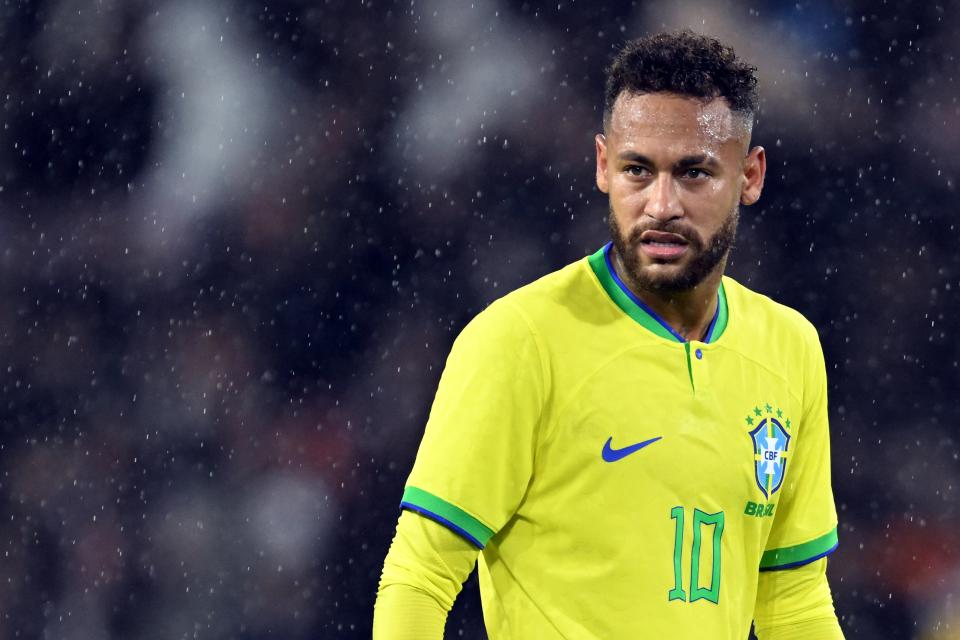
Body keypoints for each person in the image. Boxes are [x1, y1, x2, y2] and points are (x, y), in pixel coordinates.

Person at [373, 31, 844, 639]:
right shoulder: (519, 341)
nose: (660, 204)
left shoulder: (790, 349)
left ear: (749, 176)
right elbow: (420, 574)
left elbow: (795, 604)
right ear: (602, 166)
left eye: (694, 173)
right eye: (637, 171)